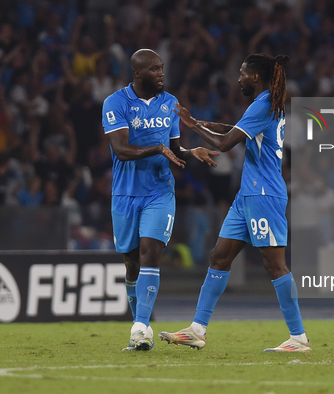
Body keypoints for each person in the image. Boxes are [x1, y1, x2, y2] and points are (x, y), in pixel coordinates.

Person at [159, 53, 311, 352]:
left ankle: (299, 338)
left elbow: (225, 142)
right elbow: (235, 128)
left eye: (242, 73)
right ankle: (197, 330)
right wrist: (202, 122)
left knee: (275, 265)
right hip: (248, 195)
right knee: (219, 256)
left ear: (255, 77)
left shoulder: (264, 103)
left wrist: (192, 126)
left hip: (263, 194)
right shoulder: (268, 103)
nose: (238, 78)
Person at [101, 49, 219, 351]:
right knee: (131, 264)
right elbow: (122, 150)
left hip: (159, 192)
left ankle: (141, 327)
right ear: (138, 74)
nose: (161, 74)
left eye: (162, 68)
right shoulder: (115, 103)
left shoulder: (170, 104)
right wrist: (156, 148)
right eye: (154, 69)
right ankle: (140, 319)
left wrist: (191, 152)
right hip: (126, 194)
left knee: (150, 252)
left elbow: (174, 149)